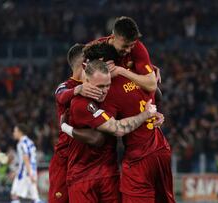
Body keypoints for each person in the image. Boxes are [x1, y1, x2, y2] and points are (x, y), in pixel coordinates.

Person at [63, 42, 174, 202]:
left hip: (127, 164)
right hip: (158, 150)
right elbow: (156, 93)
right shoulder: (135, 76)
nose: (104, 90)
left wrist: (65, 127)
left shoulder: (101, 94)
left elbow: (101, 137)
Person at [48, 43, 105, 203]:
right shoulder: (66, 87)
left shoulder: (98, 85)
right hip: (66, 160)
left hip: (90, 160)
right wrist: (77, 90)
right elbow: (60, 96)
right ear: (85, 63)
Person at [11, 124, 42, 203]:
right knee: (35, 197)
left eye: (15, 131)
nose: (13, 133)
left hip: (25, 172)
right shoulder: (30, 142)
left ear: (20, 132)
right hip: (32, 170)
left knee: (14, 194)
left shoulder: (22, 143)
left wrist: (29, 172)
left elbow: (26, 158)